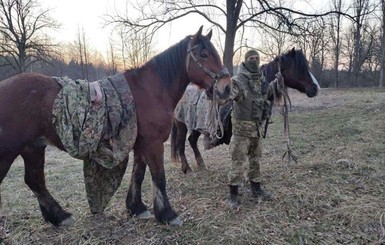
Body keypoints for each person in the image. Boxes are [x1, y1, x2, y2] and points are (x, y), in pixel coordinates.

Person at [227, 49, 272, 209]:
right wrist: (220, 94)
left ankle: (256, 189)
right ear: (245, 61)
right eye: (251, 58)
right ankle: (233, 194)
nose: (254, 60)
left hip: (256, 130)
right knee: (237, 162)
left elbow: (266, 96)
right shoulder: (237, 81)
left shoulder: (262, 80)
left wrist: (277, 85)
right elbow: (228, 95)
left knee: (255, 161)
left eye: (256, 58)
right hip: (241, 132)